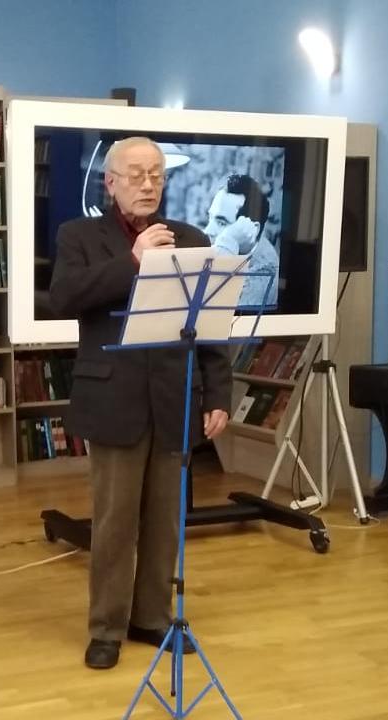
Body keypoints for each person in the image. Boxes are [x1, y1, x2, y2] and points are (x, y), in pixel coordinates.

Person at [48, 137, 233, 670]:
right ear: (110, 183)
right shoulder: (79, 235)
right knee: (114, 522)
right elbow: (65, 298)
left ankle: (150, 617)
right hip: (114, 398)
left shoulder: (193, 239)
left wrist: (218, 394)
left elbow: (210, 326)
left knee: (164, 520)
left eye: (156, 174)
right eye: (136, 174)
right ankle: (105, 627)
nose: (148, 184)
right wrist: (133, 261)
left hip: (176, 399)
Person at [204, 174, 278, 308]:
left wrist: (229, 241)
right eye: (210, 218)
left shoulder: (264, 273)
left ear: (253, 229)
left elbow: (210, 309)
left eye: (221, 223)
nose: (207, 231)